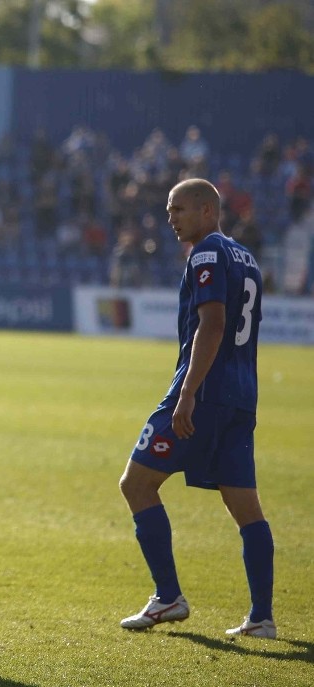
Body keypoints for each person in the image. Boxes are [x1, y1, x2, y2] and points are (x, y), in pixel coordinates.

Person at [118, 178, 275, 639]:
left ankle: (168, 597)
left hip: (202, 393)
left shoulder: (206, 253)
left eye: (179, 209)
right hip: (241, 398)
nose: (171, 217)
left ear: (208, 211)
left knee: (137, 484)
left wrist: (187, 393)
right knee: (246, 506)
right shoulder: (248, 259)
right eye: (169, 209)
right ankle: (262, 617)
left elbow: (213, 323)